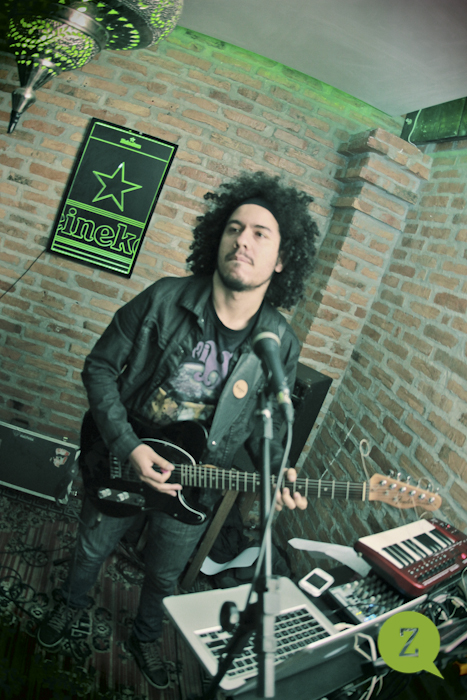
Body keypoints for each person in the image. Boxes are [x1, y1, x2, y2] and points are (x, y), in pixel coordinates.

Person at [36, 170, 319, 688]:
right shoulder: (164, 298)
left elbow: (268, 428)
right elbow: (99, 367)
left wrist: (278, 469)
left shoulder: (279, 339)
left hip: (197, 482)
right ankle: (71, 604)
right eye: (234, 228)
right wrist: (129, 445)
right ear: (218, 238)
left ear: (283, 259)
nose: (243, 240)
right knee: (92, 548)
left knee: (164, 573)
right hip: (124, 457)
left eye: (261, 233)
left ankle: (145, 635)